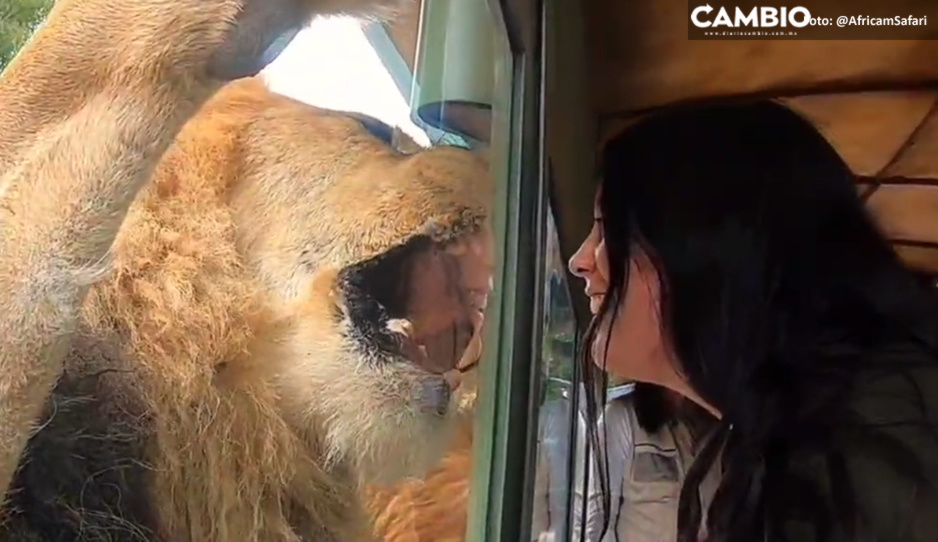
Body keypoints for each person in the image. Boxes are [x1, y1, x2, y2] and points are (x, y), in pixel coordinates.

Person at [567, 100, 938, 542]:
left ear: (703, 247)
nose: (579, 261)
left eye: (605, 229)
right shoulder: (806, 433)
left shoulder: (850, 466)